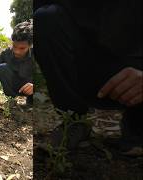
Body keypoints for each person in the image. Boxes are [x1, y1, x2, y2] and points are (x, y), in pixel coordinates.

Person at [34, 0, 142, 156]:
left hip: (135, 71)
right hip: (88, 73)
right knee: (45, 17)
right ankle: (73, 120)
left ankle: (137, 129)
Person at [0, 20, 35, 106]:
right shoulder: (5, 53)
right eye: (14, 46)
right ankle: (13, 100)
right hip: (14, 88)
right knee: (2, 67)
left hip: (31, 90)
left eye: (22, 48)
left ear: (30, 46)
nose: (17, 51)